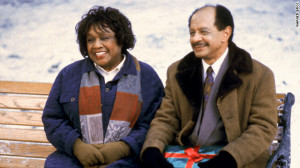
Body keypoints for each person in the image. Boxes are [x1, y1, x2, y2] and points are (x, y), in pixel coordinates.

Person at [141, 4, 277, 168]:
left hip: (235, 162)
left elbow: (262, 128)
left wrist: (228, 159)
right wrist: (152, 150)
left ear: (225, 33)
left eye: (203, 32)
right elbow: (166, 119)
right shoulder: (177, 71)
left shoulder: (259, 75)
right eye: (192, 33)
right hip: (182, 159)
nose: (195, 39)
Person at [42, 6, 164, 168]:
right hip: (74, 158)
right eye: (90, 39)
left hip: (128, 159)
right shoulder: (69, 75)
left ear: (121, 39)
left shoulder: (146, 76)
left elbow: (155, 123)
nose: (96, 45)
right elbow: (53, 119)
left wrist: (124, 147)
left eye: (104, 38)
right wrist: (77, 146)